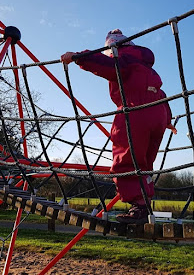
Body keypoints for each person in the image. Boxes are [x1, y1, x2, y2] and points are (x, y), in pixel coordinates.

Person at [61, 29, 177, 224]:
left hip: (134, 110)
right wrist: (167, 120)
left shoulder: (122, 58)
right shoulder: (146, 64)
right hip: (157, 113)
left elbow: (106, 65)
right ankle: (144, 202)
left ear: (113, 48)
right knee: (145, 162)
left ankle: (138, 207)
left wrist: (78, 57)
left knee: (126, 158)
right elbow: (161, 93)